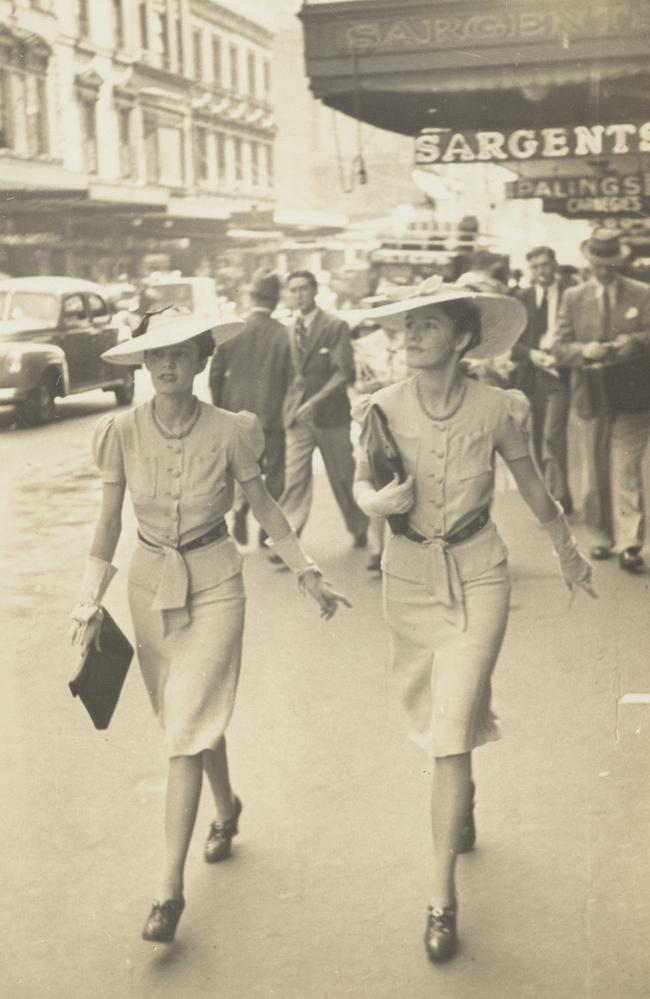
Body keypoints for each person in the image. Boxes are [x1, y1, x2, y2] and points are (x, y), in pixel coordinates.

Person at [68, 307, 349, 945]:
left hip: (217, 581)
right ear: (144, 364)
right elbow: (110, 522)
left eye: (182, 354)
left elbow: (264, 502)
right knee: (188, 721)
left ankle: (168, 890)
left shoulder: (232, 430)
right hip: (147, 587)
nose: (168, 366)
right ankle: (226, 808)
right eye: (156, 356)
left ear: (202, 360)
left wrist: (303, 568)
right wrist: (89, 599)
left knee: (187, 726)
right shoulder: (120, 431)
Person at [353, 281, 595, 963]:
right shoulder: (379, 406)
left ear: (461, 339)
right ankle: (463, 799)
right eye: (408, 327)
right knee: (445, 720)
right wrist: (377, 502)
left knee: (449, 730)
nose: (411, 337)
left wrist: (568, 553)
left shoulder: (497, 408)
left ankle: (440, 898)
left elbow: (533, 483)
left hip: (482, 570)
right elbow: (362, 484)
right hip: (408, 578)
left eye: (427, 326)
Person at [553, 228, 650, 572]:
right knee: (594, 468)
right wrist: (584, 351)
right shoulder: (573, 298)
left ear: (618, 262)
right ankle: (601, 535)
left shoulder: (642, 294)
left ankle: (630, 543)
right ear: (590, 262)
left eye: (610, 263)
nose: (604, 270)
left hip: (633, 394)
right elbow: (559, 347)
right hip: (591, 394)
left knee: (625, 468)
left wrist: (635, 343)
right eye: (599, 264)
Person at [275, 269, 368, 550]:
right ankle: (288, 542)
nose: (299, 294)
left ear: (315, 290)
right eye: (293, 290)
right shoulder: (290, 330)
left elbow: (343, 373)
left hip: (331, 416)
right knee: (295, 480)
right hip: (297, 417)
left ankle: (361, 528)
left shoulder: (334, 325)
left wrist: (313, 403)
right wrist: (290, 408)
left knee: (342, 475)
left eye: (303, 288)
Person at [209, 269, 292, 546]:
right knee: (275, 474)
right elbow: (293, 380)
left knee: (242, 471)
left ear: (252, 296)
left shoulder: (231, 331)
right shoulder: (284, 335)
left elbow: (215, 376)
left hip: (236, 416)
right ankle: (267, 529)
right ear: (275, 301)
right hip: (272, 416)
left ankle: (240, 509)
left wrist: (220, 410)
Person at [512, 246, 573, 512]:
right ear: (529, 270)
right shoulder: (521, 298)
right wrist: (532, 354)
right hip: (532, 376)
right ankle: (557, 491)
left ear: (555, 265)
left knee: (552, 434)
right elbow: (511, 343)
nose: (541, 271)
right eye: (535, 267)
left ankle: (558, 495)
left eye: (545, 265)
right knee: (537, 437)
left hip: (562, 375)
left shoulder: (570, 295)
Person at [353, 321, 409, 571]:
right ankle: (377, 548)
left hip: (408, 418)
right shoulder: (366, 345)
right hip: (376, 419)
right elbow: (360, 383)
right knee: (375, 479)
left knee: (404, 480)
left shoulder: (412, 341)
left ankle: (404, 543)